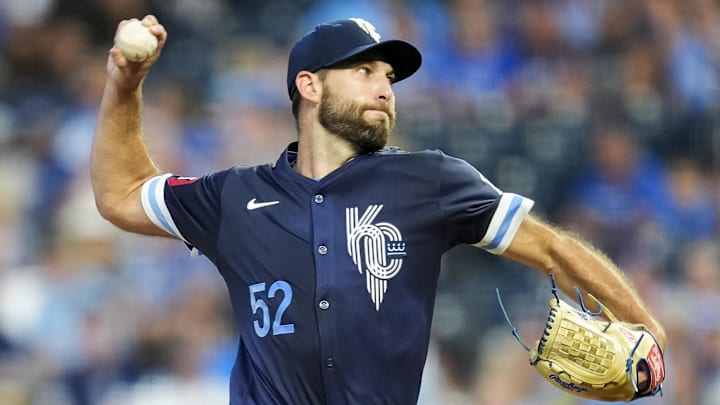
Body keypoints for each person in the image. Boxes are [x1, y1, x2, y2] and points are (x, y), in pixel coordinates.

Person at [91, 15, 667, 405]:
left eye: (388, 77)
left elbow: (551, 248)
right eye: (364, 71)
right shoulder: (235, 198)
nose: (384, 88)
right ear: (310, 86)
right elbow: (120, 193)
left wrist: (648, 328)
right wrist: (125, 82)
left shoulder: (428, 180)